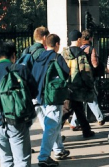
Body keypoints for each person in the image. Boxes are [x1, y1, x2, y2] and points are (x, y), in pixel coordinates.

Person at [32, 34, 71, 167]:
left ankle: (59, 150)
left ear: (45, 45)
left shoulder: (38, 57)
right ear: (57, 44)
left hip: (38, 95)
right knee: (52, 125)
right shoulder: (57, 57)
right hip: (52, 96)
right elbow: (66, 73)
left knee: (52, 124)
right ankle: (43, 157)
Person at [69, 29, 109, 130]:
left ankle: (76, 122)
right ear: (91, 38)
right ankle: (99, 118)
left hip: (75, 77)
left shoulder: (76, 49)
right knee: (89, 97)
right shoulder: (91, 49)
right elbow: (95, 64)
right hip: (88, 76)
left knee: (83, 100)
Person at [61, 30, 96, 139]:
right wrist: (90, 84)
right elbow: (84, 72)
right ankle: (53, 132)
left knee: (77, 109)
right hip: (78, 87)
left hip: (66, 86)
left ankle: (86, 130)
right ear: (78, 39)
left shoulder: (64, 54)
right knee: (67, 110)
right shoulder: (81, 54)